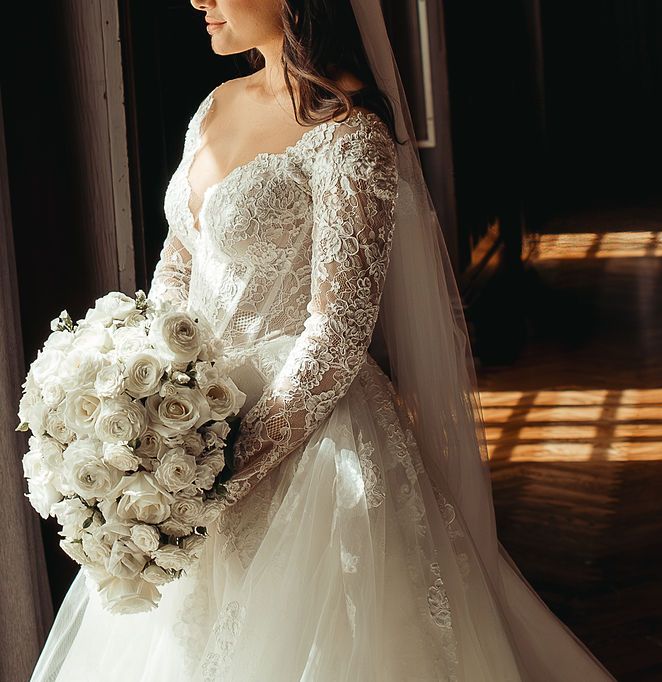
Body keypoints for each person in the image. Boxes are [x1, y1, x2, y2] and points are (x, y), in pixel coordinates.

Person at [29, 0, 617, 680]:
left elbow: (336, 334)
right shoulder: (216, 107)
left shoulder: (349, 132)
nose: (198, 1)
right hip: (190, 422)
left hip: (307, 432)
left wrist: (224, 471)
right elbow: (178, 266)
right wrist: (148, 402)